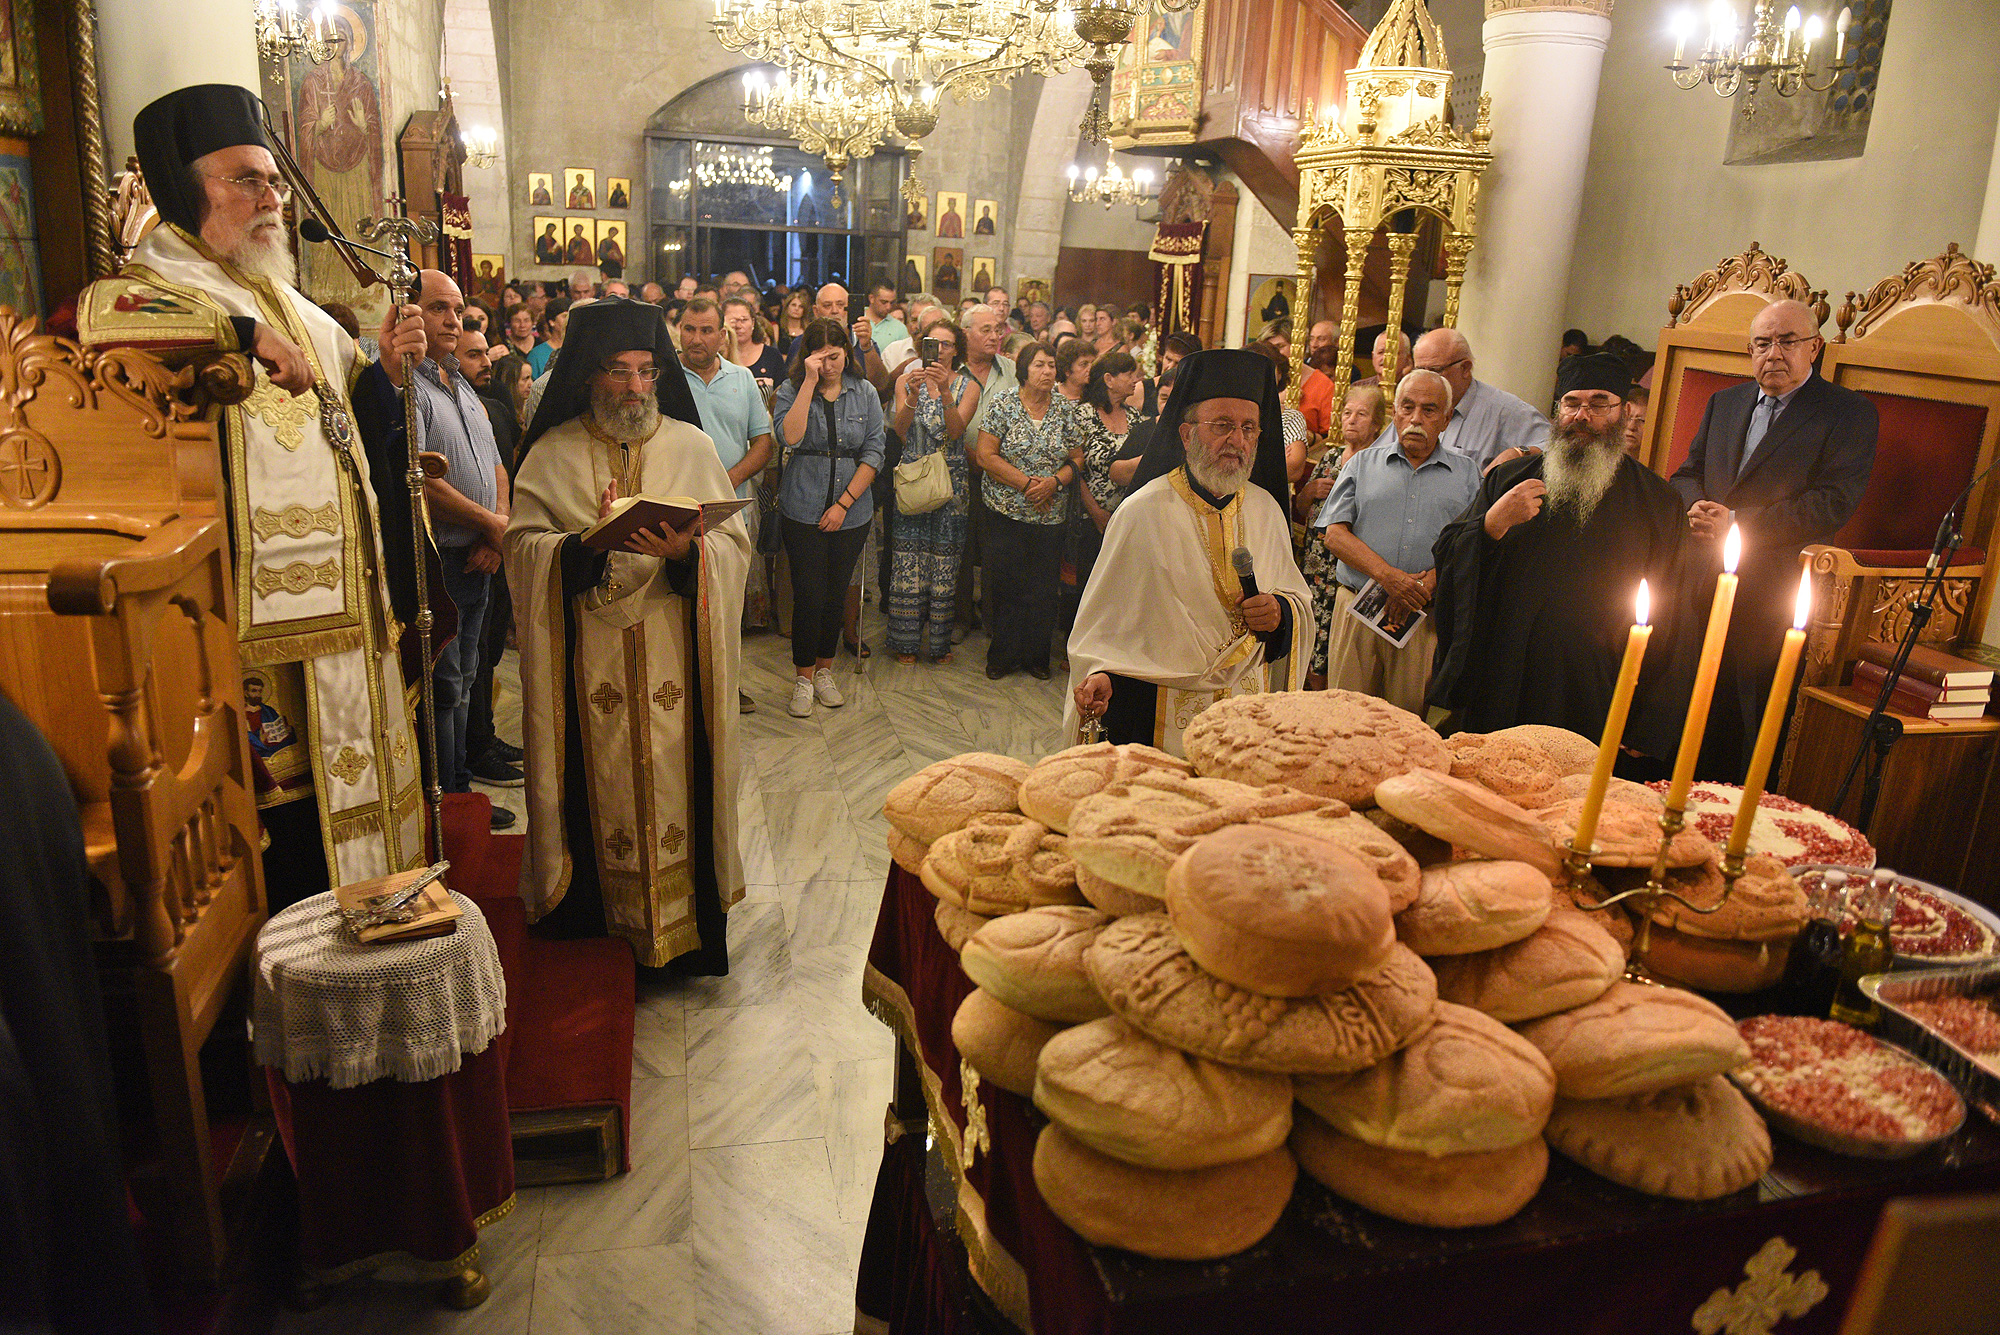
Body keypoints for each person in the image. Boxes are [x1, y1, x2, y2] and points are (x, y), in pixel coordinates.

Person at [80, 83, 429, 901]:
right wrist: (241, 335)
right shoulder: (158, 283)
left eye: (273, 180)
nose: (271, 198)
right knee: (297, 838)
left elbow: (351, 424)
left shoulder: (289, 299)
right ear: (181, 189)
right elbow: (99, 316)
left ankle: (383, 951)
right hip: (253, 639)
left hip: (347, 617)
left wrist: (385, 372)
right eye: (245, 179)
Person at [505, 298, 751, 974]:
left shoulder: (690, 446)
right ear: (588, 374)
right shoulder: (552, 452)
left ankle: (681, 943)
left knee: (679, 777)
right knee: (597, 778)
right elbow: (522, 547)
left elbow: (732, 543)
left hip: (674, 649)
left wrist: (689, 557)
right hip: (587, 660)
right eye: (619, 372)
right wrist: (578, 552)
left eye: (647, 372)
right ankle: (599, 929)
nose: (636, 388)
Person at [1427, 354, 1689, 763]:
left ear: (1624, 412)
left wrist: (1651, 721)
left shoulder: (1659, 503)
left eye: (1599, 402)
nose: (1583, 415)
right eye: (1572, 402)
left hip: (1595, 689)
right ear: (1558, 410)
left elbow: (1676, 612)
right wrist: (1491, 525)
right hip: (1504, 677)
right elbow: (1449, 555)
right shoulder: (1508, 479)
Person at [1067, 349, 1312, 754]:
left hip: (1246, 715)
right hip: (1159, 712)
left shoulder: (1266, 510)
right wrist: (1105, 674)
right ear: (1186, 434)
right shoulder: (1142, 512)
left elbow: (1295, 602)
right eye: (1222, 425)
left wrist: (1280, 612)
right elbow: (1107, 630)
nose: (1237, 440)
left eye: (1249, 428)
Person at [1671, 298, 1876, 779]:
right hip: (1701, 576)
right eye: (1762, 343)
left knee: (1749, 719)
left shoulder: (1847, 413)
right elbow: (1687, 473)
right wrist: (1693, 504)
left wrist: (1740, 524)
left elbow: (1833, 502)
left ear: (1815, 347)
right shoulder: (1726, 402)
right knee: (1686, 703)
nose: (1774, 353)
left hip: (1776, 587)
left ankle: (1740, 803)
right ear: (1749, 350)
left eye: (1788, 341)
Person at [400, 271, 515, 821]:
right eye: (439, 309)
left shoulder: (460, 382)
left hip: (479, 554)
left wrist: (498, 527)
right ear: (409, 314)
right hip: (442, 557)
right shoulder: (409, 386)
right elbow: (422, 478)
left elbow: (494, 465)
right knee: (444, 687)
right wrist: (490, 526)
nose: (453, 320)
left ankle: (464, 791)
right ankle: (447, 805)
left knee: (469, 680)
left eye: (459, 309)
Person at [1316, 370, 1481, 715]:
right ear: (1395, 412)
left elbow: (1473, 543)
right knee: (1345, 717)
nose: (1415, 419)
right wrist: (1390, 578)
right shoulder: (1362, 464)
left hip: (1422, 616)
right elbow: (1334, 533)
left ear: (1447, 418)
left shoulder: (1467, 474)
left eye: (1430, 410)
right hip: (1359, 608)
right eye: (1407, 407)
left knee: (1407, 720)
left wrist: (1426, 583)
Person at [773, 319, 886, 716]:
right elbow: (789, 437)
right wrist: (808, 383)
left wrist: (843, 504)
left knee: (836, 592)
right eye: (820, 359)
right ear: (807, 358)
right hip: (802, 504)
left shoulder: (865, 391)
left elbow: (874, 451)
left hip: (852, 509)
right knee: (808, 593)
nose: (829, 366)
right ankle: (803, 678)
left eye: (835, 357)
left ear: (846, 353)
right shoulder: (790, 389)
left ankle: (825, 670)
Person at [679, 297, 776, 713]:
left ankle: (726, 684)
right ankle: (682, 687)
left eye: (705, 330)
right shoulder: (665, 379)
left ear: (723, 335)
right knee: (681, 597)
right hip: (678, 506)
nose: (696, 338)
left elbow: (764, 443)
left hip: (731, 509)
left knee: (728, 601)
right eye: (688, 329)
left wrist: (727, 481)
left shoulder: (742, 379)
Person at [973, 343, 1077, 680]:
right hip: (1006, 511)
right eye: (1039, 365)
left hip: (1050, 514)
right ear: (1023, 370)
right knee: (1005, 584)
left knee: (1043, 588)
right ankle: (1002, 656)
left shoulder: (1064, 408)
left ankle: (1036, 657)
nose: (1047, 372)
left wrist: (1054, 483)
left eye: (1051, 365)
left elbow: (1078, 457)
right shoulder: (1003, 404)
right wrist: (1027, 485)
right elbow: (985, 456)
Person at [886, 320, 970, 663]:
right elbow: (900, 430)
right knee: (907, 560)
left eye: (948, 345)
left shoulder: (968, 385)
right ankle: (905, 643)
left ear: (957, 350)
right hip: (913, 475)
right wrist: (911, 397)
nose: (942, 350)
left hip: (951, 480)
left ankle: (938, 644)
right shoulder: (907, 380)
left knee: (944, 564)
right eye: (935, 344)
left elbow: (957, 430)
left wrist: (945, 393)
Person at [1298, 383, 1387, 687]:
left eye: (1361, 415)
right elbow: (1301, 506)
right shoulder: (1329, 456)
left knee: (1334, 651)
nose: (1351, 420)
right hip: (1314, 566)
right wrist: (1309, 491)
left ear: (1377, 424)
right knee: (1307, 638)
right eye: (1347, 413)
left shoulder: (1379, 462)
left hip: (1344, 571)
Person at [1063, 350, 1147, 641]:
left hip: (1127, 514)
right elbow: (1076, 467)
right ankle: (1080, 643)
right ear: (1109, 379)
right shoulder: (1082, 414)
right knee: (1088, 582)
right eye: (1130, 374)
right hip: (1090, 514)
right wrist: (1095, 511)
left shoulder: (1136, 417)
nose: (1136, 380)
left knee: (1120, 584)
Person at [1406, 327, 1550, 471]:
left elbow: (1552, 449)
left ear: (1465, 368)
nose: (1425, 380)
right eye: (1419, 371)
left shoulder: (1506, 411)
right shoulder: (1410, 410)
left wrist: (1520, 452)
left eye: (1435, 371)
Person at [722, 293, 787, 388]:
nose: (739, 326)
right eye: (733, 320)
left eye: (744, 320)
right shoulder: (717, 357)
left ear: (753, 323)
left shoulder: (772, 356)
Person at [1298, 318, 1340, 436]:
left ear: (1336, 341)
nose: (1314, 345)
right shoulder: (1306, 364)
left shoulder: (1343, 370)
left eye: (1321, 339)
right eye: (1311, 339)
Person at [527, 298, 570, 377]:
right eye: (565, 316)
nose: (569, 320)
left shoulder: (579, 348)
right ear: (552, 321)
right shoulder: (537, 355)